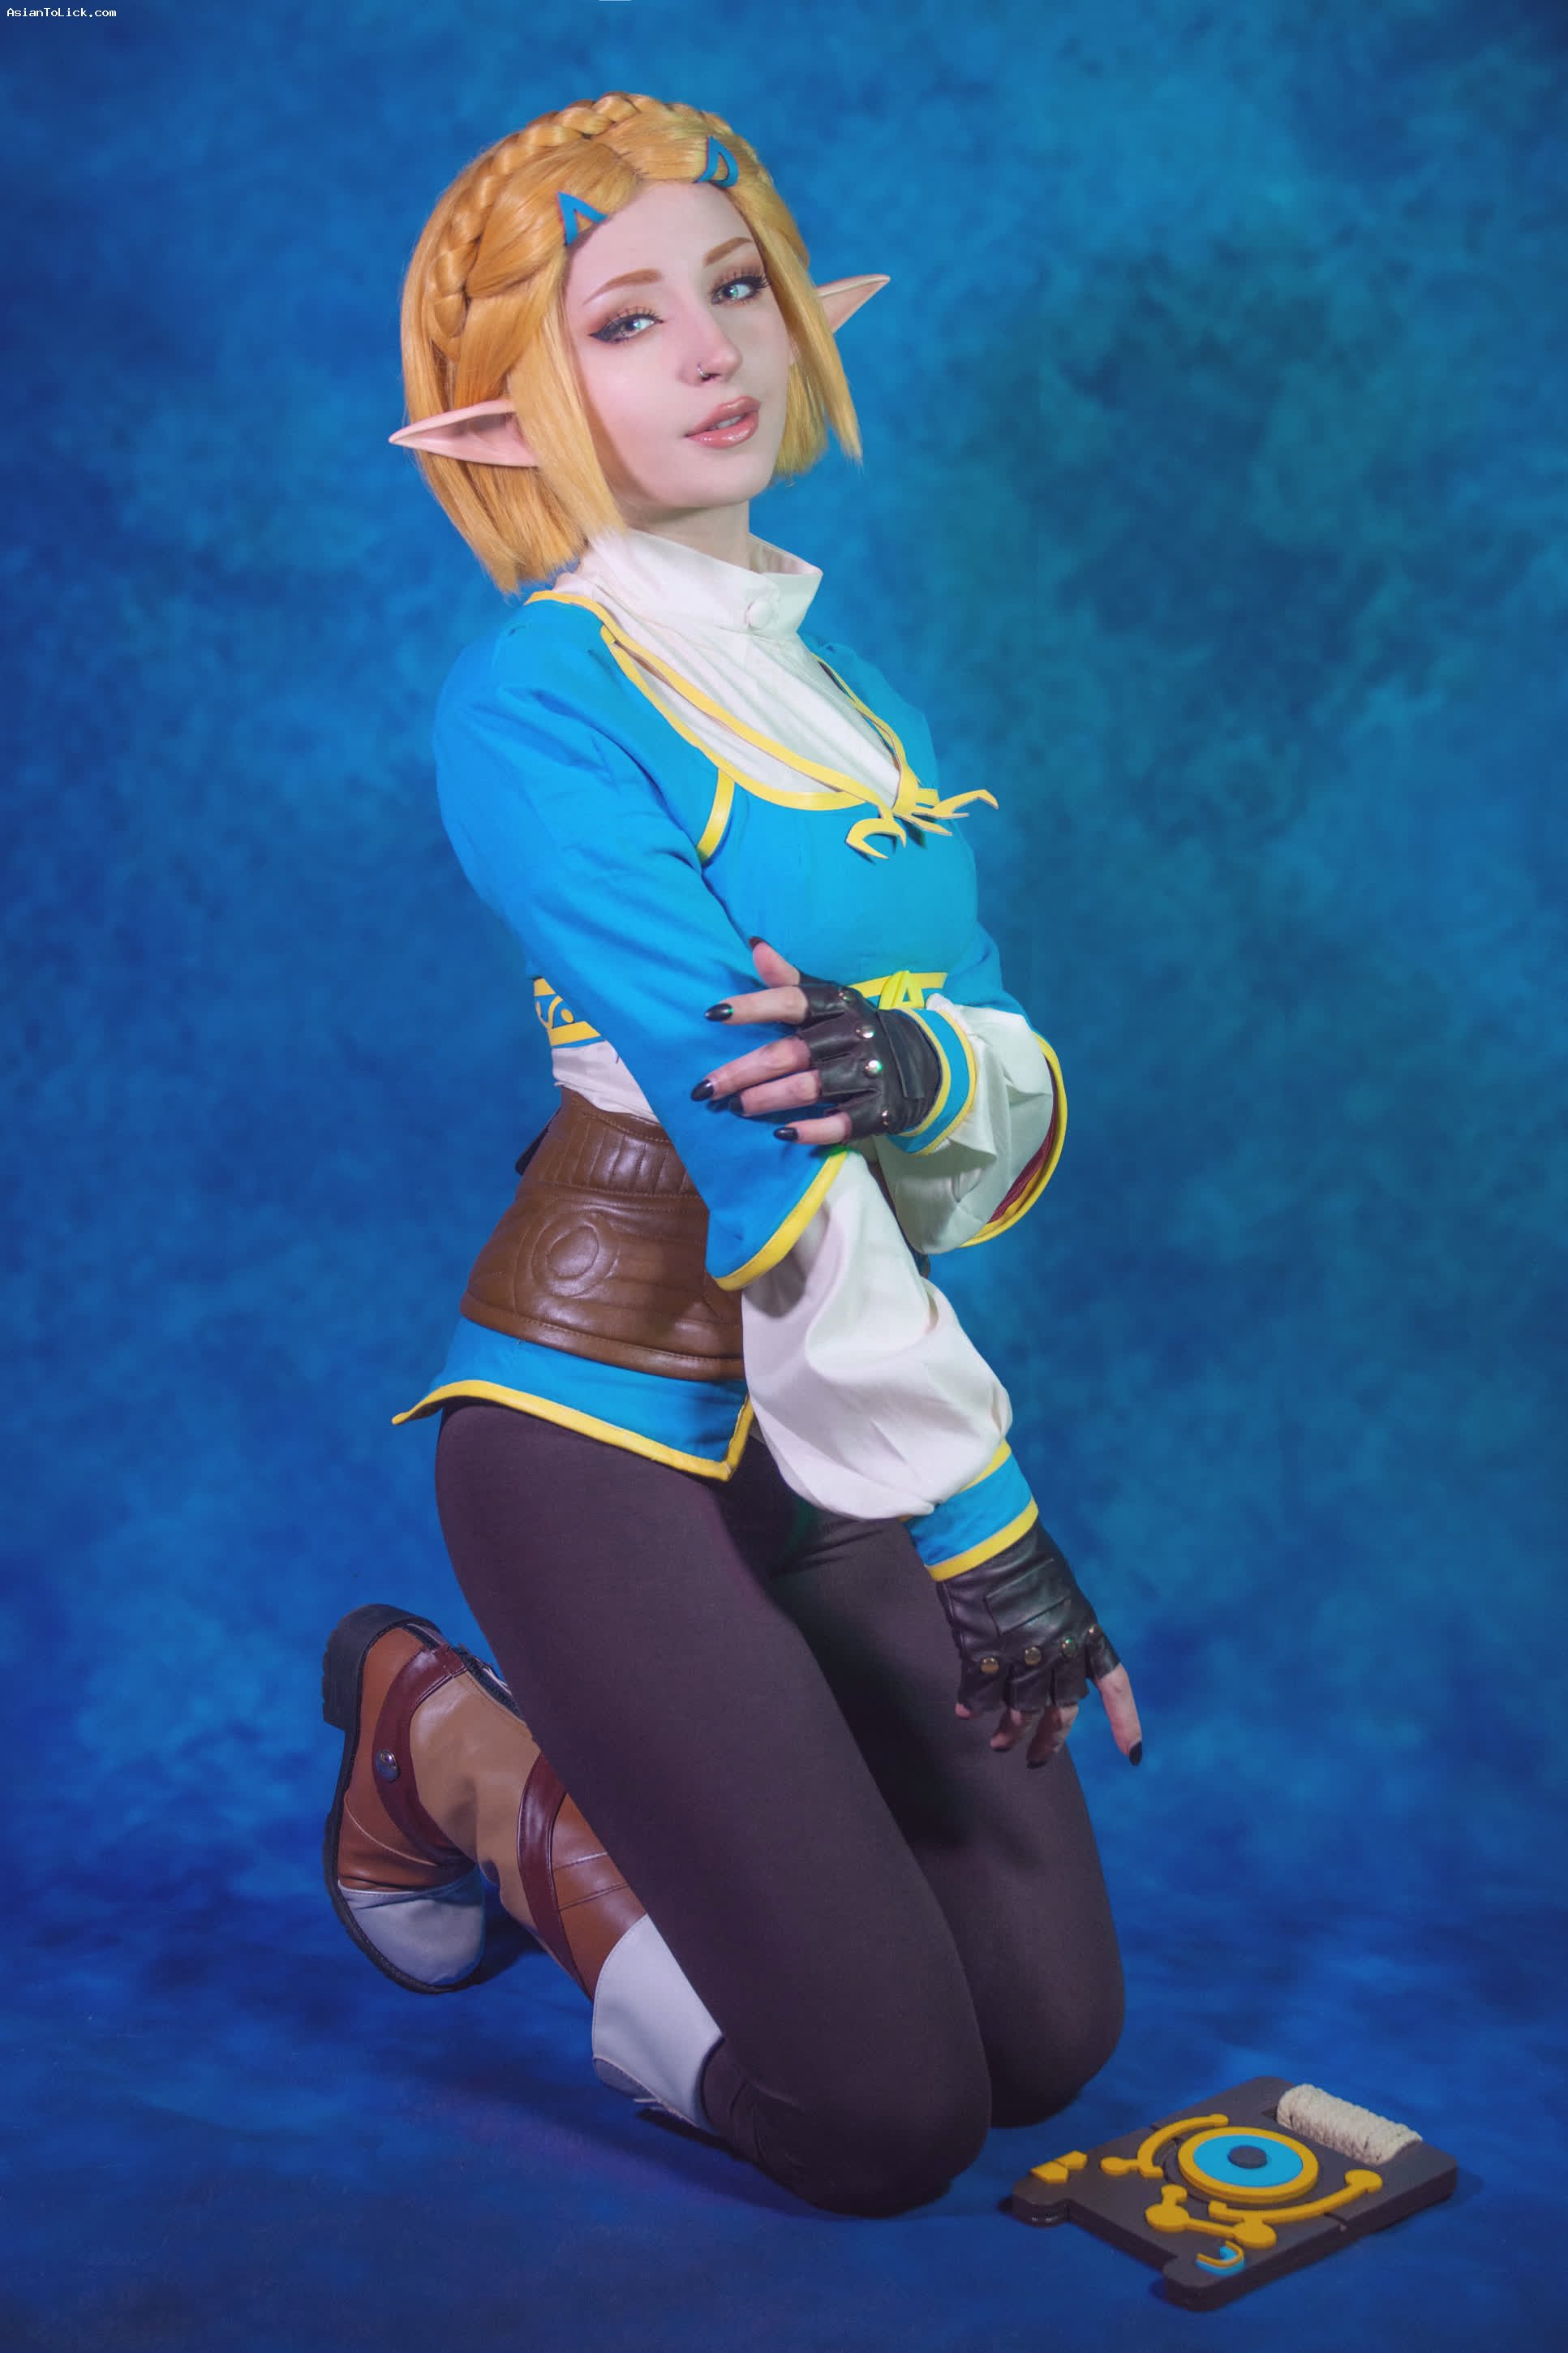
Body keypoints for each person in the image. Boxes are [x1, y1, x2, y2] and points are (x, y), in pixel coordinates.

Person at [320, 91, 1141, 2220]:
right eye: (624, 321)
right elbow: (763, 1142)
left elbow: (995, 1089)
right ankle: (460, 1759)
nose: (713, 350)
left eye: (740, 288)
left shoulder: (835, 683)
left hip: (828, 1427)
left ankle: (722, 1832)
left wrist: (922, 1068)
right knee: (883, 2123)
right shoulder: (533, 702)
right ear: (514, 408)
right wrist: (989, 1527)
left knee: (1051, 2038)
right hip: (603, 1430)